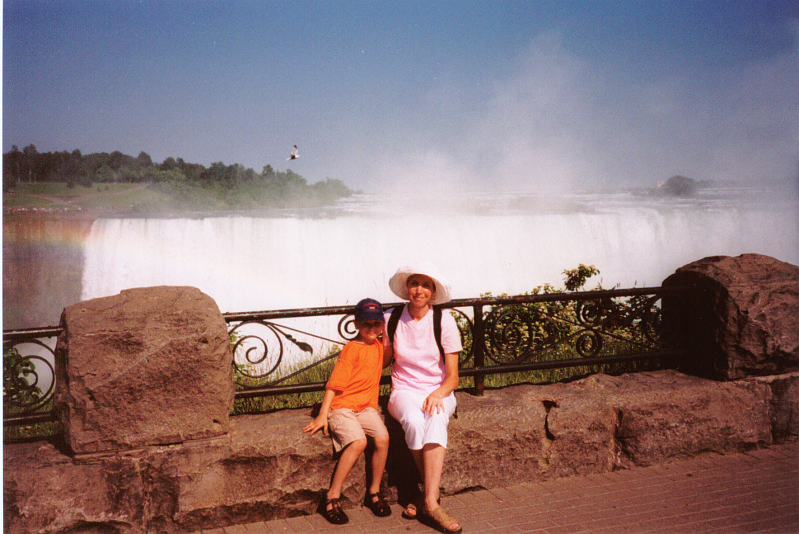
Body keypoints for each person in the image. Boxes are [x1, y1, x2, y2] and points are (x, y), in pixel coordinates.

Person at [384, 263, 463, 534]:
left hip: (438, 388)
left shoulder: (444, 321)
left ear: (433, 292)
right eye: (415, 283)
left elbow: (453, 377)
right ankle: (433, 497)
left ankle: (428, 500)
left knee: (437, 417)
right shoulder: (391, 319)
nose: (419, 290)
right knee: (414, 422)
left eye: (426, 285)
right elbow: (381, 360)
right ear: (407, 287)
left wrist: (437, 393)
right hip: (403, 390)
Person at [303, 298, 392, 525]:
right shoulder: (352, 349)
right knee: (358, 442)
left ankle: (373, 492)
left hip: (365, 408)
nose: (371, 329)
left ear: (382, 325)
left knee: (382, 437)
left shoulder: (380, 346)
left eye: (376, 324)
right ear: (356, 325)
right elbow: (334, 385)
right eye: (366, 324)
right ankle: (332, 496)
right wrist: (323, 414)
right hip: (342, 407)